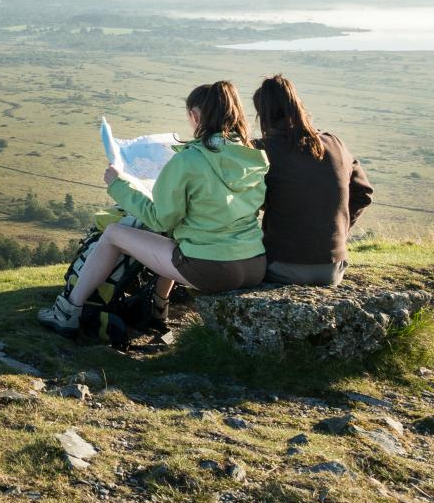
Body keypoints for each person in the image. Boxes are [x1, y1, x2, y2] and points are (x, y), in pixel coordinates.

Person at [38, 80, 269, 335]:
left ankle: (66, 312)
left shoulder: (189, 160)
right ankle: (159, 310)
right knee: (177, 238)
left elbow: (160, 220)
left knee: (114, 233)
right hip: (254, 264)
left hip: (211, 268)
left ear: (194, 115)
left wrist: (119, 185)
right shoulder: (251, 156)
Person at [252, 74, 373, 286]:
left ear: (263, 114)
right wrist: (340, 229)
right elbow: (363, 194)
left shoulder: (261, 149)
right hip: (332, 268)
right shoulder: (335, 144)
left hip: (280, 265)